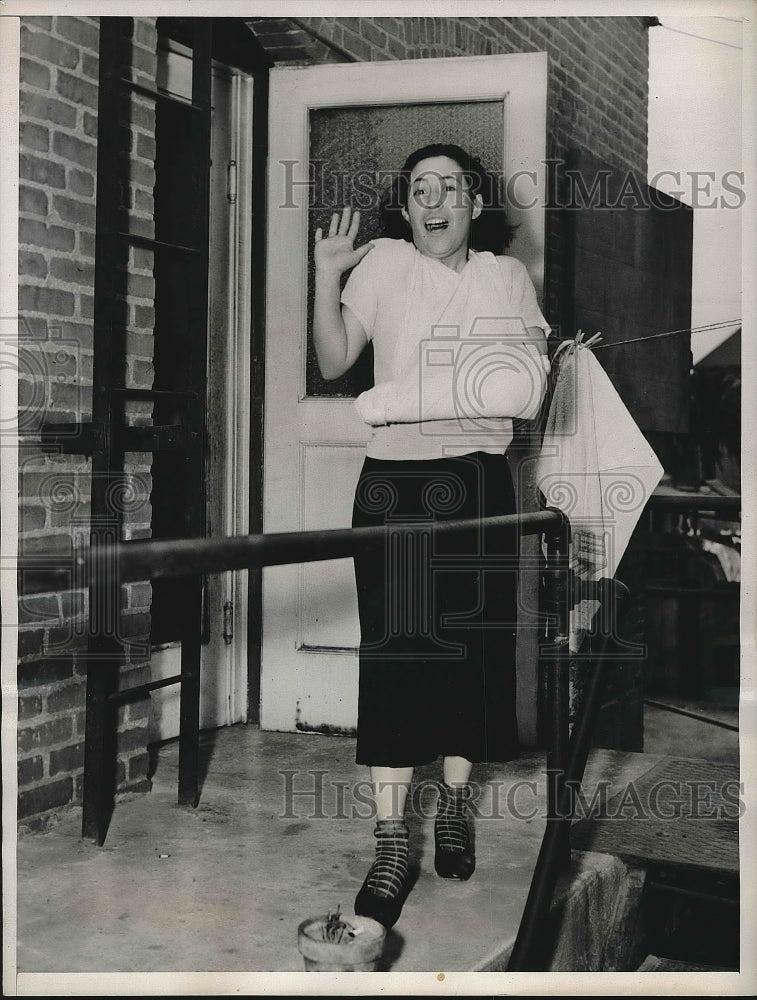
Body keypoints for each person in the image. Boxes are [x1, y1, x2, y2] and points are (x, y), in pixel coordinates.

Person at [312, 143, 551, 929]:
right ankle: (389, 841)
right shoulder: (380, 264)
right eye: (419, 188)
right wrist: (326, 275)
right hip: (397, 485)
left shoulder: (505, 278)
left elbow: (524, 386)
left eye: (450, 185)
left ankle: (451, 803)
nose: (434, 198)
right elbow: (335, 356)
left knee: (469, 650)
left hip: (480, 483)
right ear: (406, 205)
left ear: (474, 202)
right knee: (397, 651)